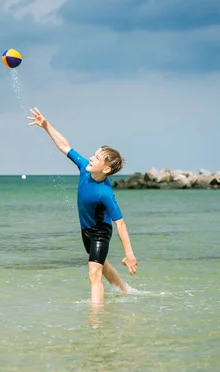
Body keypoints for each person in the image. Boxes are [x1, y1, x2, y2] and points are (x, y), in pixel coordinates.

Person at [27, 107, 138, 304]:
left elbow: (120, 223)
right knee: (101, 265)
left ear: (106, 168)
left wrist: (129, 254)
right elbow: (65, 146)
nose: (91, 158)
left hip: (99, 232)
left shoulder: (105, 193)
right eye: (93, 155)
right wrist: (46, 126)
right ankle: (124, 290)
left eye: (96, 158)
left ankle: (96, 318)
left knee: (94, 274)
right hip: (85, 231)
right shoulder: (85, 169)